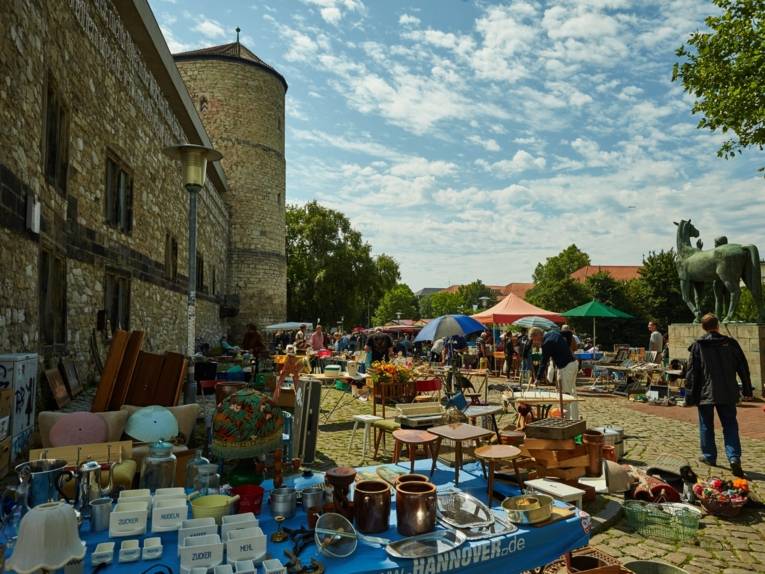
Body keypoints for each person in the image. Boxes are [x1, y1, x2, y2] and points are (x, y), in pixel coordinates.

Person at [685, 313, 753, 477]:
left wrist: (689, 395)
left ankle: (709, 456)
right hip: (728, 391)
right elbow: (742, 367)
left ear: (703, 327)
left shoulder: (698, 345)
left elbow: (692, 373)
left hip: (705, 392)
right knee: (730, 424)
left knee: (706, 425)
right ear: (718, 325)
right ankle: (734, 457)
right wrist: (747, 389)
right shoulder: (730, 343)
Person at [530, 327, 579, 420]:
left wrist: (538, 379)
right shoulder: (553, 333)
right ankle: (574, 418)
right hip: (573, 364)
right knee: (572, 393)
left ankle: (566, 421)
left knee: (564, 396)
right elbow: (568, 333)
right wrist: (567, 348)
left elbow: (543, 362)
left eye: (533, 340)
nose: (534, 342)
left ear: (537, 335)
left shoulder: (546, 343)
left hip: (566, 367)